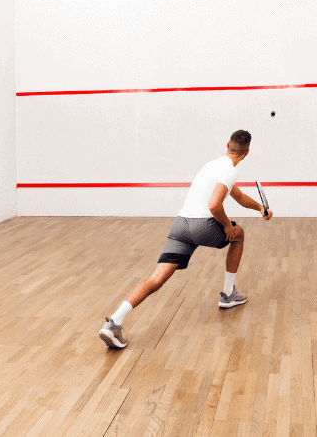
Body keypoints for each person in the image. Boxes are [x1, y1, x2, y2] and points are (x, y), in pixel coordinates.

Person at [99, 130, 272, 349]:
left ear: (227, 144)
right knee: (239, 235)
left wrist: (259, 208)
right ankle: (229, 294)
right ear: (247, 153)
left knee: (155, 280)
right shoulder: (229, 171)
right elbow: (214, 205)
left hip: (180, 226)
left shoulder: (212, 166)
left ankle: (113, 322)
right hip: (203, 226)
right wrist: (227, 226)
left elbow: (237, 196)